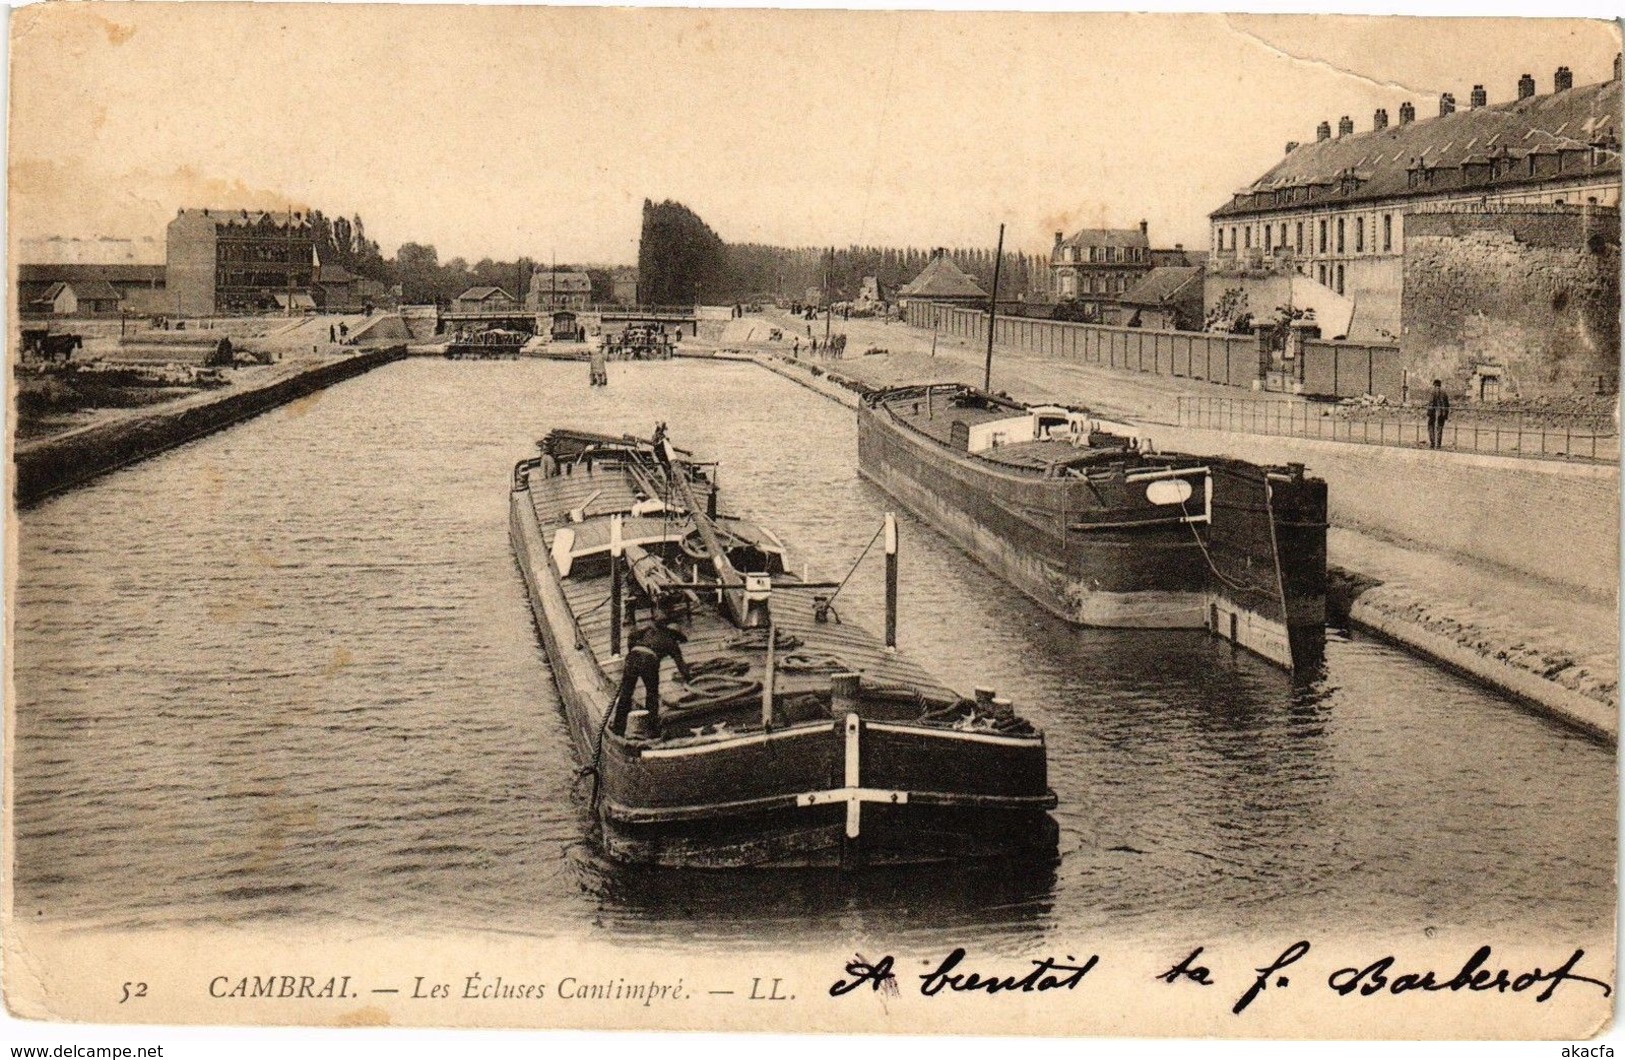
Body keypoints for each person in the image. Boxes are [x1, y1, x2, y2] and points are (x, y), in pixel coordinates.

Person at [612, 609, 693, 735]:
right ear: (676, 635)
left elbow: (631, 636)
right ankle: (652, 730)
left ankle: (618, 728)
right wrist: (690, 680)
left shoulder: (649, 631)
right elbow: (681, 666)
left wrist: (631, 651)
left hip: (633, 656)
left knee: (626, 694)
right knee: (652, 694)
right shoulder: (672, 643)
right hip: (649, 661)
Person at [1426, 379, 1450, 449]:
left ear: (1434, 384)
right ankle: (1438, 444)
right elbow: (1447, 404)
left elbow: (1431, 402)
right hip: (1442, 413)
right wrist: (1446, 414)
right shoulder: (1444, 392)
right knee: (1440, 428)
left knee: (1430, 426)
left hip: (1433, 412)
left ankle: (1432, 443)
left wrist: (1429, 413)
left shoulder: (1432, 391)